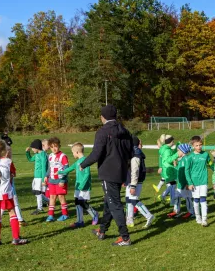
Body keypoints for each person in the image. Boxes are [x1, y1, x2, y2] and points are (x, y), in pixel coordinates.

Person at [82, 104, 134, 246]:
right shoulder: (125, 131)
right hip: (121, 171)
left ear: (102, 117)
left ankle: (125, 237)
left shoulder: (102, 132)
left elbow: (96, 154)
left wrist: (83, 164)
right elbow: (131, 153)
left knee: (115, 204)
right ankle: (102, 230)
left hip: (108, 172)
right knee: (109, 201)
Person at [0, 139, 28, 246]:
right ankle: (16, 238)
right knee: (12, 213)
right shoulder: (8, 162)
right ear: (5, 150)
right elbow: (13, 174)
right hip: (5, 192)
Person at [57, 143, 99, 228]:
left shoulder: (85, 161)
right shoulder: (77, 162)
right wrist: (59, 172)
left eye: (72, 152)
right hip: (78, 186)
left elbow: (87, 174)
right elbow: (69, 169)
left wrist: (82, 185)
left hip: (84, 186)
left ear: (77, 152)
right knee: (77, 202)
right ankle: (80, 221)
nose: (72, 154)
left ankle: (95, 214)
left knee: (82, 203)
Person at [125, 136, 155, 228]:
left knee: (134, 200)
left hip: (135, 182)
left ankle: (149, 216)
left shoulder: (136, 154)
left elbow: (135, 170)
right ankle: (129, 220)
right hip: (130, 180)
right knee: (128, 200)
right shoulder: (134, 152)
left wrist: (133, 185)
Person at [186, 136, 212, 227]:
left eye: (200, 145)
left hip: (204, 181)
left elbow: (210, 164)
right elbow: (187, 170)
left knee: (203, 199)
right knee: (196, 200)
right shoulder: (190, 157)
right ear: (193, 146)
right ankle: (198, 217)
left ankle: (204, 219)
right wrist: (189, 183)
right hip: (194, 182)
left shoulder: (205, 154)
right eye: (197, 145)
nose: (199, 147)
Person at [44, 137, 69, 222]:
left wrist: (63, 180)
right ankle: (51, 215)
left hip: (60, 181)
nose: (54, 148)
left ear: (59, 146)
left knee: (61, 197)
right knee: (52, 197)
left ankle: (65, 214)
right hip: (52, 181)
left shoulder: (63, 156)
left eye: (56, 146)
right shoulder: (50, 156)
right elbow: (50, 168)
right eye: (52, 147)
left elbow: (66, 169)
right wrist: (46, 176)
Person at [26, 139, 49, 215]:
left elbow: (44, 168)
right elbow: (30, 159)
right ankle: (49, 200)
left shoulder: (43, 154)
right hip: (36, 176)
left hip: (40, 177)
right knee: (34, 191)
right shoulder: (36, 155)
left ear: (36, 147)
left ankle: (39, 208)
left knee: (38, 192)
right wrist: (27, 152)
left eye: (33, 148)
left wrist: (43, 179)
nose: (32, 149)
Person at [173, 143, 194, 219]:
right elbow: (179, 170)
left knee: (187, 197)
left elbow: (188, 172)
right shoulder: (181, 159)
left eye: (178, 151)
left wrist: (188, 183)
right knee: (177, 196)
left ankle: (191, 212)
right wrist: (175, 166)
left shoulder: (186, 159)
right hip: (180, 182)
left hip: (185, 183)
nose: (177, 152)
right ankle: (176, 210)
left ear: (183, 151)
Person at [159, 135, 178, 210]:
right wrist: (177, 154)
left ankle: (168, 199)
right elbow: (168, 160)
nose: (173, 142)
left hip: (168, 170)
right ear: (170, 141)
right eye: (173, 141)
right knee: (173, 187)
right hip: (169, 170)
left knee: (172, 186)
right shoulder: (167, 150)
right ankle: (172, 202)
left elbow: (171, 154)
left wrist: (176, 149)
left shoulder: (165, 148)